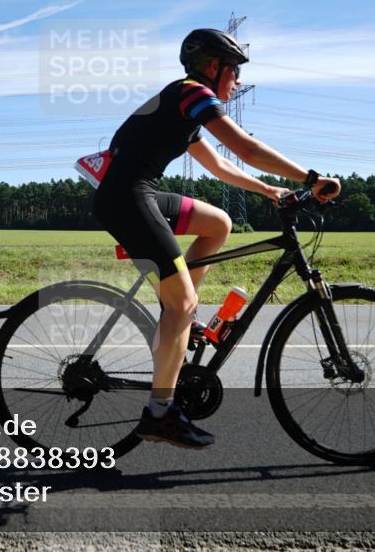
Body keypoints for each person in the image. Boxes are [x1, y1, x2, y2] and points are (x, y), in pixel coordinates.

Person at [90, 29, 341, 449]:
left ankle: (181, 322)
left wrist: (269, 191)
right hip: (125, 198)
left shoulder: (184, 108)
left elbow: (221, 166)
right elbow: (245, 146)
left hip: (138, 192)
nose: (237, 82)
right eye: (234, 71)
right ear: (213, 66)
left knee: (219, 223)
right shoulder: (190, 93)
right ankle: (160, 412)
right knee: (182, 301)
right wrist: (311, 179)